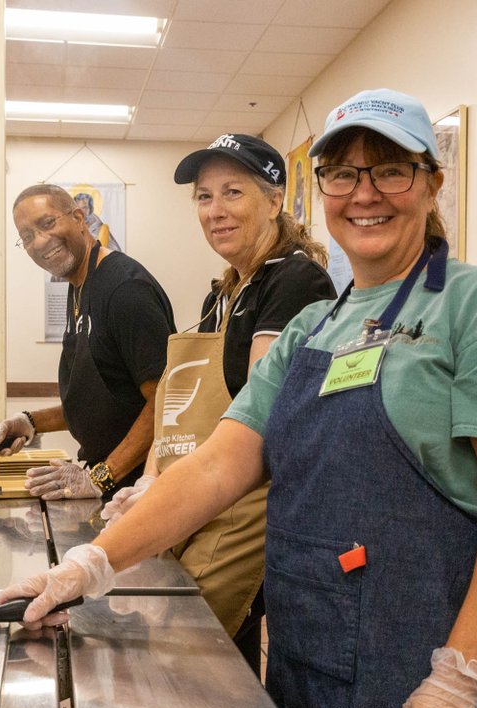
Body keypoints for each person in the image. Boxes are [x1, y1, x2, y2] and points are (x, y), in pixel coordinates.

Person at [0, 89, 477, 708]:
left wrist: (459, 675)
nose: (365, 194)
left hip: (428, 654)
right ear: (320, 188)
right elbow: (215, 466)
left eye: (390, 170)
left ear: (431, 182)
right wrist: (88, 566)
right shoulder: (313, 328)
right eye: (343, 174)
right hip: (311, 656)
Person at [101, 133, 336, 674]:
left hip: (246, 504)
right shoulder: (225, 290)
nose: (215, 211)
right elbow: (179, 404)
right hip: (195, 494)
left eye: (233, 192)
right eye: (204, 197)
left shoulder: (294, 280)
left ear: (275, 201)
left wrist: (169, 488)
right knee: (185, 653)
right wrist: (150, 481)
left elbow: (261, 416)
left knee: (196, 659)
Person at [0, 184, 175, 500]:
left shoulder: (125, 290)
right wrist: (31, 422)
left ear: (78, 218)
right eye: (28, 236)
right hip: (108, 482)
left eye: (47, 223)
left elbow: (165, 402)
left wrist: (100, 477)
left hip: (137, 490)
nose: (40, 241)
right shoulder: (80, 284)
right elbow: (105, 398)